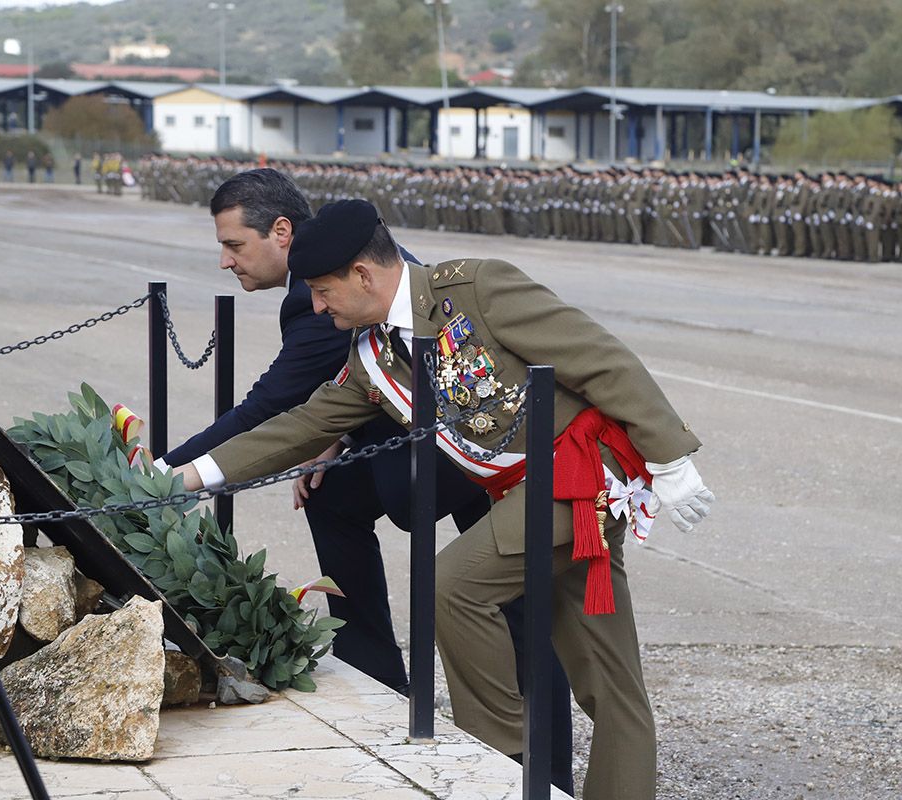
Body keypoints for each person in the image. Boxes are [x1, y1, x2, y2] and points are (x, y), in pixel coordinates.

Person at [171, 198, 715, 800]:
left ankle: (496, 763)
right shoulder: (375, 356)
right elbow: (300, 428)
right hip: (522, 495)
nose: (317, 306)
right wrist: (186, 478)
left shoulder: (478, 290)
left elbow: (600, 359)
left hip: (581, 478)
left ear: (363, 275)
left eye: (324, 291)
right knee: (611, 685)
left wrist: (669, 457)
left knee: (452, 585)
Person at [156, 174, 575, 792]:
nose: (225, 261)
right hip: (429, 437)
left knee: (514, 612)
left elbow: (274, 410)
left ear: (282, 233)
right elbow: (358, 387)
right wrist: (339, 440)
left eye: (235, 245)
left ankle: (544, 774)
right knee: (329, 489)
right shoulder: (337, 261)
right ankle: (378, 676)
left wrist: (163, 475)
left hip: (482, 448)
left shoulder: (320, 287)